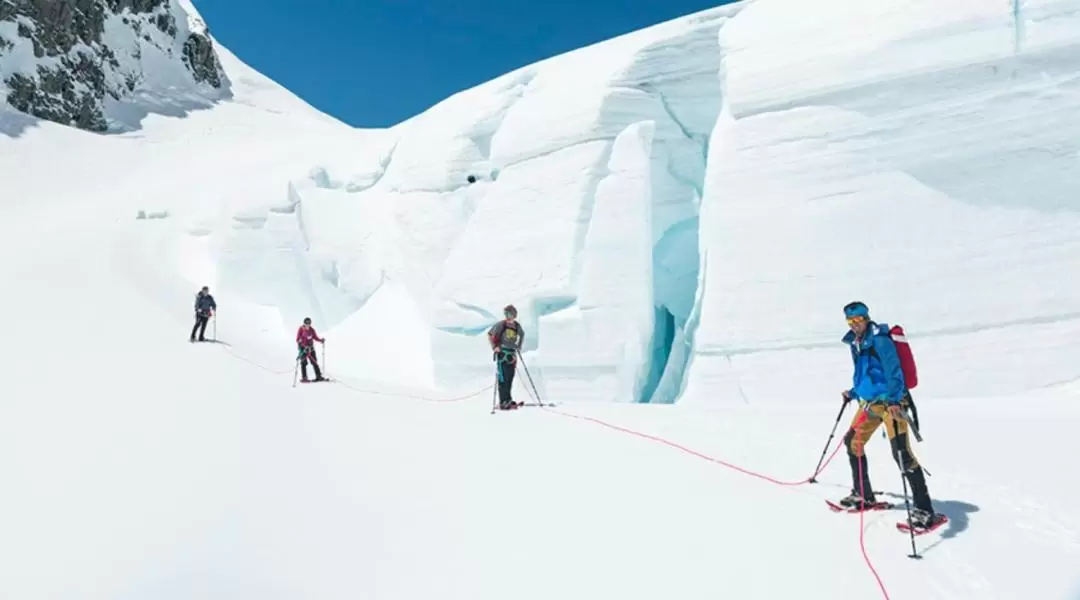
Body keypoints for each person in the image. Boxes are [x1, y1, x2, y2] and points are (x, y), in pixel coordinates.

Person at [838, 301, 945, 530]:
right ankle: (863, 495)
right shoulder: (856, 342)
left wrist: (896, 400)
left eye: (858, 320)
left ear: (866, 318)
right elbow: (866, 374)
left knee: (901, 453)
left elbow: (893, 371)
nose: (855, 324)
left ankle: (925, 510)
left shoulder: (879, 340)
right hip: (870, 403)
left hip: (891, 404)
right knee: (852, 442)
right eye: (851, 321)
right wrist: (854, 392)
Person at [487, 304, 524, 410]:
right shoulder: (501, 325)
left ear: (514, 315)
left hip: (512, 355)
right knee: (503, 379)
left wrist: (519, 346)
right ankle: (503, 401)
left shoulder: (517, 326)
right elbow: (490, 334)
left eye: (510, 314)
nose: (508, 316)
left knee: (510, 378)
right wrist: (494, 347)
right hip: (502, 354)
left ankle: (508, 399)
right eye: (506, 314)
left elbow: (522, 334)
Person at [296, 317, 326, 382]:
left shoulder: (312, 330)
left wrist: (321, 340)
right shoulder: (301, 329)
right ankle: (304, 377)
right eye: (306, 323)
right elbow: (297, 339)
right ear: (304, 323)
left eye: (309, 323)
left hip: (311, 348)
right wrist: (302, 344)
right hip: (303, 349)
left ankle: (318, 376)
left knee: (314, 361)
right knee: (303, 363)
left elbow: (315, 337)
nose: (307, 325)